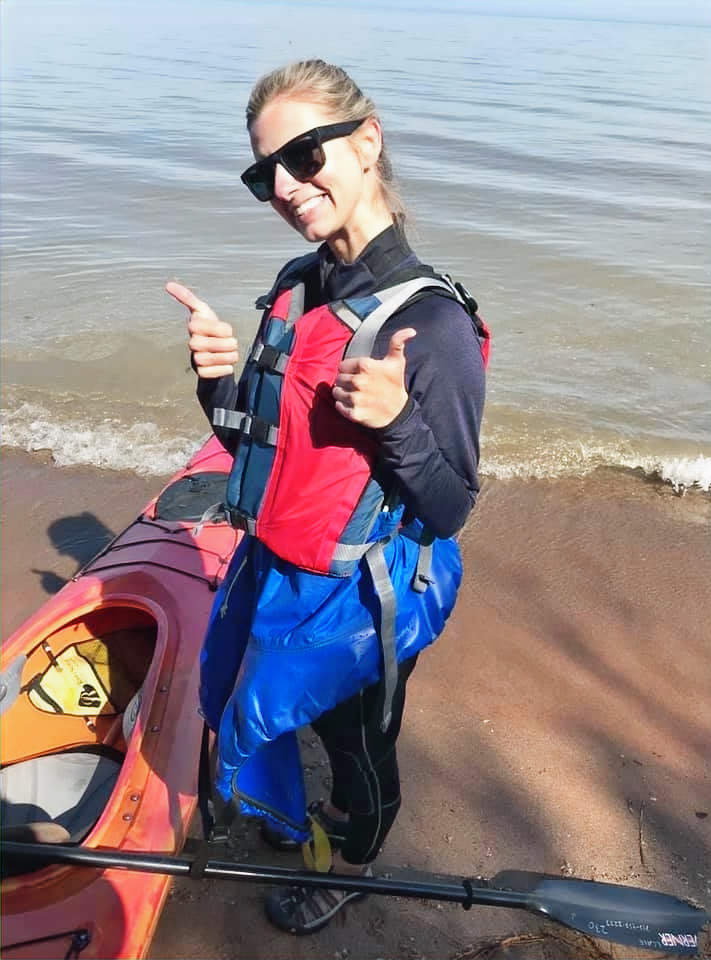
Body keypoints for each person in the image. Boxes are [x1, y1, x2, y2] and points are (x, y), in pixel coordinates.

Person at [166, 59, 486, 935]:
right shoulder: (297, 284)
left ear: (368, 139)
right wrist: (216, 380)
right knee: (277, 708)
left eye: (306, 154)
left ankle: (356, 865)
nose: (285, 184)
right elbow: (255, 449)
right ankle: (312, 815)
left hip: (366, 592)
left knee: (358, 743)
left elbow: (452, 505)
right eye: (264, 171)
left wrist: (395, 423)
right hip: (285, 565)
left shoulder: (437, 327)